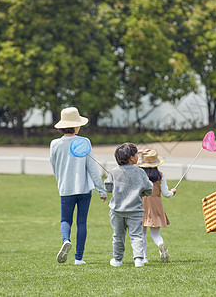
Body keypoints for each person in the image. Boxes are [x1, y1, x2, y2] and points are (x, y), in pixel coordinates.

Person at [50, 107, 107, 265]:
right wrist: (101, 190)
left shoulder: (54, 144)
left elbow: (54, 166)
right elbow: (93, 169)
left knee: (65, 220)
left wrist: (60, 180)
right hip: (83, 190)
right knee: (81, 223)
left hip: (65, 189)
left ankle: (65, 239)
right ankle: (78, 258)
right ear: (76, 126)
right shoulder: (84, 142)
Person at [104, 143, 153, 268]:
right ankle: (138, 260)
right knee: (136, 236)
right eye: (136, 154)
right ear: (131, 158)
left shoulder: (114, 172)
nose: (138, 156)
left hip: (117, 211)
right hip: (135, 211)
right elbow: (149, 189)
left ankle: (117, 260)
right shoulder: (140, 172)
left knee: (118, 236)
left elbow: (108, 188)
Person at [137, 150, 176, 263]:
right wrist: (172, 192)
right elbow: (165, 193)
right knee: (155, 234)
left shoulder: (139, 175)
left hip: (141, 205)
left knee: (142, 234)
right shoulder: (161, 175)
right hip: (156, 205)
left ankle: (144, 257)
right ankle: (160, 245)